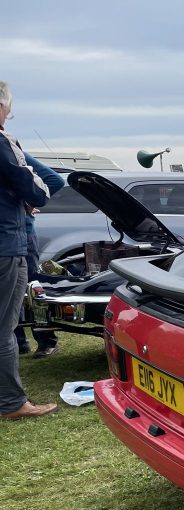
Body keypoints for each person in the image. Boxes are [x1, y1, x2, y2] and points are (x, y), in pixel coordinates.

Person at [0, 80, 57, 419]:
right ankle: (10, 403)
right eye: (8, 110)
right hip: (6, 246)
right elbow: (37, 187)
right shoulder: (4, 141)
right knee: (5, 327)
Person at [13, 152, 64, 357]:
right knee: (8, 291)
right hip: (8, 234)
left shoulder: (13, 153)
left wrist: (30, 203)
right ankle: (18, 342)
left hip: (21, 233)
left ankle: (46, 340)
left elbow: (54, 180)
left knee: (32, 287)